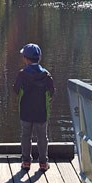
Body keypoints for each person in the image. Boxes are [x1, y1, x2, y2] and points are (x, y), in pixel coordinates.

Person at [13, 43, 54, 172]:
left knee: (26, 136)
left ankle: (26, 162)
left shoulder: (22, 74)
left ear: (26, 58)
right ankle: (43, 163)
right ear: (39, 58)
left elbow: (15, 90)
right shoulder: (46, 75)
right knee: (42, 138)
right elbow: (52, 92)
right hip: (42, 112)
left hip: (25, 112)